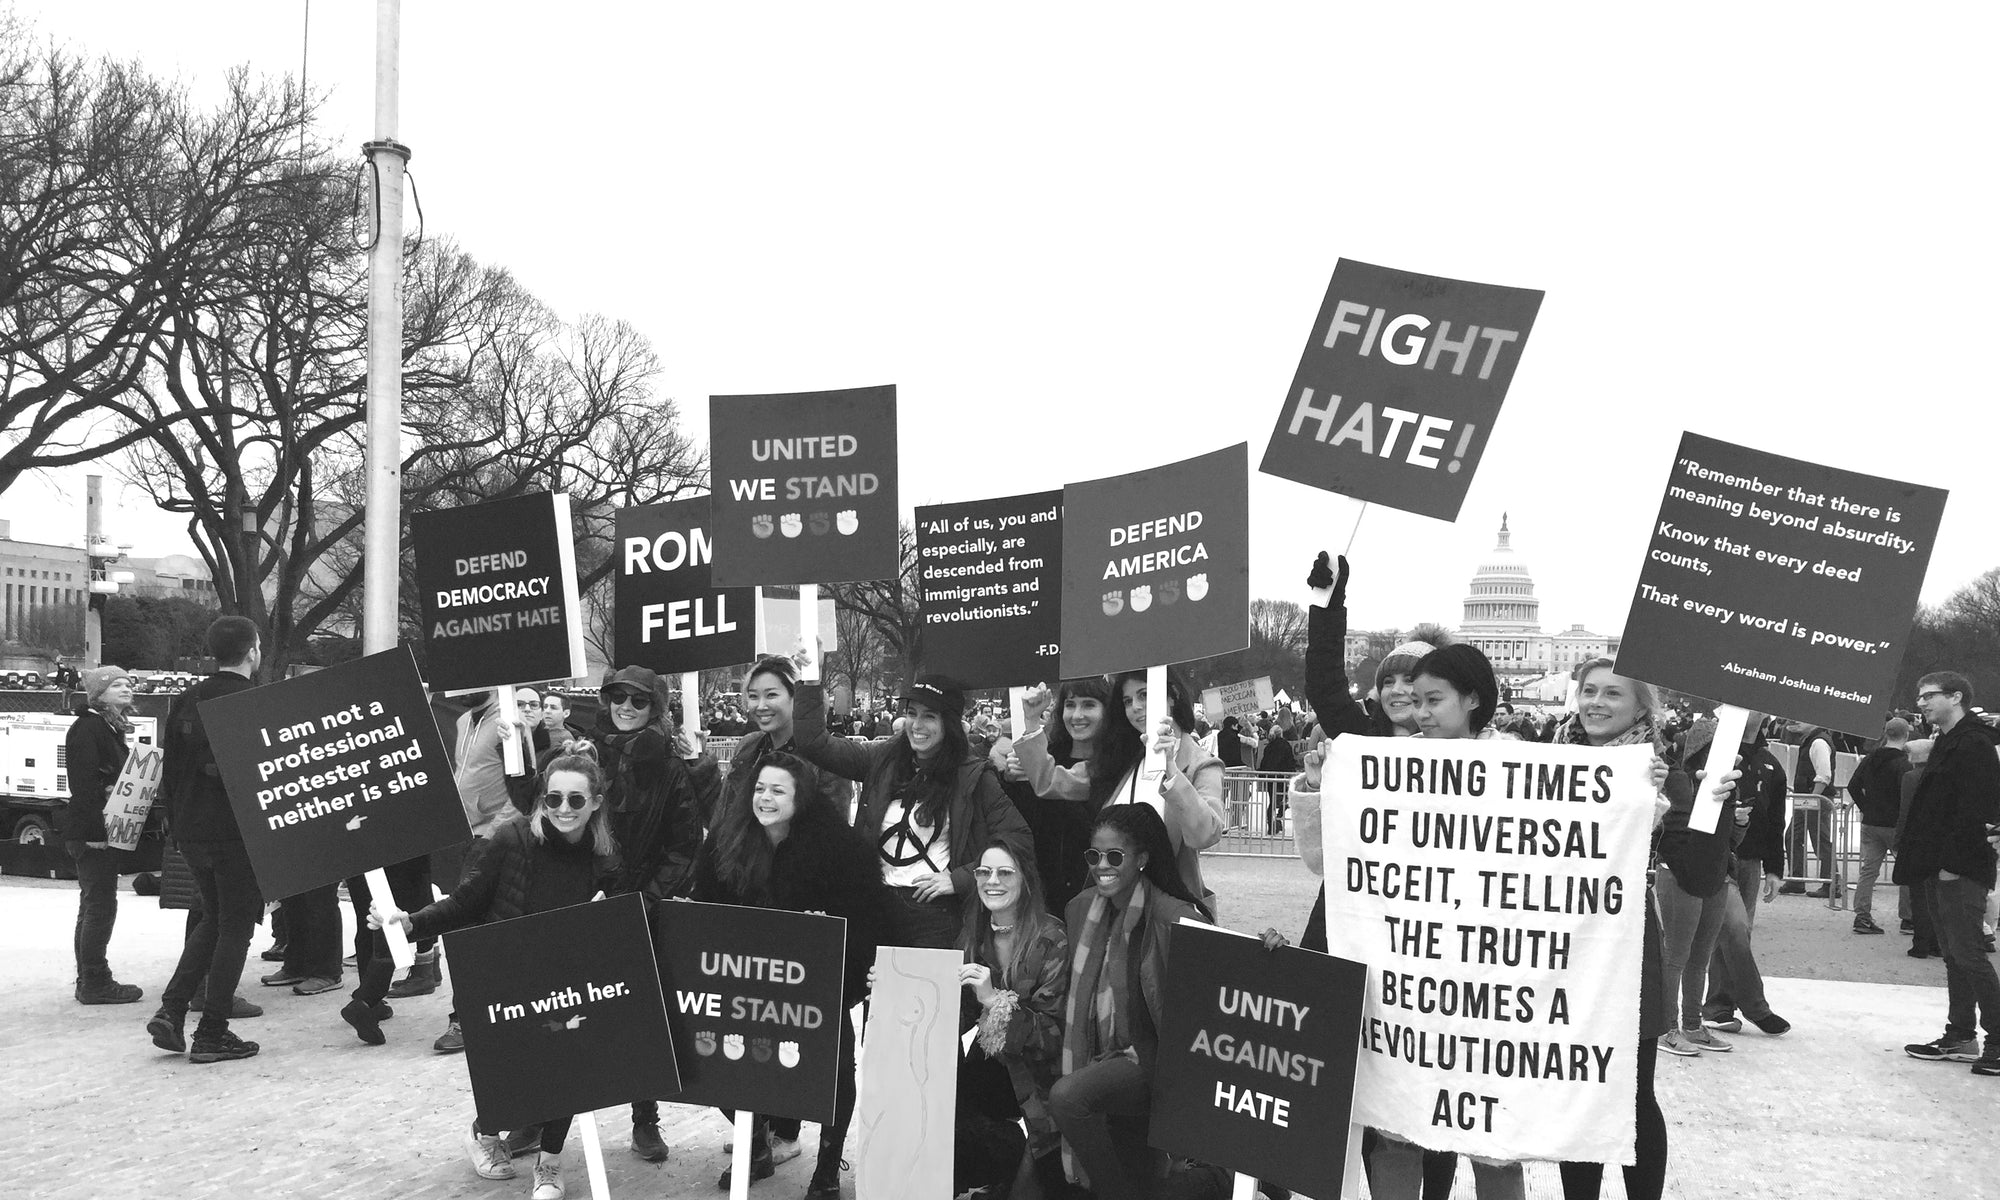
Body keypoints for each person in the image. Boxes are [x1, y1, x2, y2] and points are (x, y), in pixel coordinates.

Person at [372, 752, 619, 1200]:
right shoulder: (512, 838)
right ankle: (485, 1133)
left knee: (569, 1068)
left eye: (576, 799)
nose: (564, 808)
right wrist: (411, 923)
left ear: (596, 802)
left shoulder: (603, 855)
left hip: (568, 977)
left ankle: (550, 1162)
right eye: (553, 797)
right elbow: (465, 901)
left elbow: (623, 909)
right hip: (508, 973)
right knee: (513, 1071)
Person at [693, 752, 891, 1198]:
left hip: (819, 985)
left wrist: (828, 932)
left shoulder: (840, 847)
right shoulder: (726, 840)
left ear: (801, 797)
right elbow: (706, 907)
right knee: (718, 1063)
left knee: (833, 1075)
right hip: (742, 982)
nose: (766, 797)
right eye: (760, 788)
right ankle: (757, 1145)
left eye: (778, 790)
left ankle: (827, 1170)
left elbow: (868, 916)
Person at [584, 665, 721, 1160]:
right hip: (593, 908)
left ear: (657, 708)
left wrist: (646, 900)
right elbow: (550, 812)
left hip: (647, 910)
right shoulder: (589, 753)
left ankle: (650, 1118)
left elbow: (686, 845)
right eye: (616, 696)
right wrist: (516, 759)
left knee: (653, 1016)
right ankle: (540, 1118)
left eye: (637, 700)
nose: (624, 706)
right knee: (568, 1011)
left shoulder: (670, 763)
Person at [791, 674, 1033, 948]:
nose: (917, 725)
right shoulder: (881, 760)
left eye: (929, 716)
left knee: (924, 990)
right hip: (875, 906)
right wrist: (810, 680)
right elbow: (814, 743)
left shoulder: (973, 776)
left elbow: (1017, 839)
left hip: (934, 917)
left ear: (949, 723)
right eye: (911, 713)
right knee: (871, 988)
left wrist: (959, 878)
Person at [1047, 804, 1210, 1200]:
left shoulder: (1176, 918)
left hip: (1153, 1059)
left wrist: (1270, 950)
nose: (1102, 865)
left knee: (1068, 1097)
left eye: (1115, 856)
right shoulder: (1080, 909)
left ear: (1142, 859)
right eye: (1094, 855)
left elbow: (1224, 984)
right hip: (1103, 1057)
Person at [146, 617, 267, 1063]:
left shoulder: (186, 699)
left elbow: (170, 770)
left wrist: (177, 825)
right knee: (235, 926)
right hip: (237, 832)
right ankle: (212, 1031)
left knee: (212, 918)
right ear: (253, 651)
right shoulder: (255, 701)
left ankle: (173, 1009)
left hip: (193, 828)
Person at [1897, 672, 2000, 1075]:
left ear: (1955, 697)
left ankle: (1997, 1039)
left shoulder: (1973, 743)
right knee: (1955, 955)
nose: (1921, 702)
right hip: (1938, 862)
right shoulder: (1949, 740)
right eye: (1919, 696)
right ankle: (1960, 1034)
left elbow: (1975, 810)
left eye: (1929, 696)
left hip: (1958, 865)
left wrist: (1949, 866)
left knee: (1969, 953)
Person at [957, 841, 1069, 1199]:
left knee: (1042, 1184)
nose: (993, 881)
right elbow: (955, 1012)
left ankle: (1012, 1175)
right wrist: (895, 989)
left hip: (1041, 1073)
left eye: (1005, 872)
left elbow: (1053, 1034)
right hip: (993, 1057)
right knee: (949, 1096)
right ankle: (993, 1175)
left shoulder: (1052, 938)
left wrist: (994, 1000)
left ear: (1026, 881)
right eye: (984, 872)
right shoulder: (974, 931)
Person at [1700, 711, 1792, 1035]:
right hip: (1716, 855)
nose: (1756, 709)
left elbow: (1775, 820)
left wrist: (1775, 870)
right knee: (1731, 930)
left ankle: (1720, 1006)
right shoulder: (1713, 751)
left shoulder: (1771, 764)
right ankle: (1745, 1006)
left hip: (1750, 859)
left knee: (1738, 932)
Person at [1002, 677, 1125, 916]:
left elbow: (1050, 785)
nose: (1077, 715)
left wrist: (1031, 728)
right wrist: (1012, 779)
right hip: (1040, 887)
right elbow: (1022, 819)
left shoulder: (1116, 765)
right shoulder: (1044, 753)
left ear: (1109, 711)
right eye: (1070, 705)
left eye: (1089, 705)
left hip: (1093, 890)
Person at [65, 665, 143, 1004]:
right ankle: (95, 981)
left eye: (128, 683)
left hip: (95, 827)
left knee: (93, 903)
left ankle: (89, 978)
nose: (126, 688)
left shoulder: (108, 727)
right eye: (116, 685)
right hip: (92, 830)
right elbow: (82, 784)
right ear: (99, 694)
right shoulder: (90, 727)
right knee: (99, 905)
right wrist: (96, 831)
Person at [1848, 717, 1914, 935]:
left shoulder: (1870, 758)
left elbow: (1853, 785)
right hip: (1895, 823)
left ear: (1886, 733)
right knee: (1906, 870)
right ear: (1906, 736)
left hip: (1871, 821)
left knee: (1869, 870)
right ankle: (1908, 918)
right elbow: (1906, 795)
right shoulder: (1904, 763)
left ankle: (1862, 916)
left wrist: (1866, 806)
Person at [1778, 720, 1837, 897]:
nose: (1793, 721)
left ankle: (1831, 882)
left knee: (1820, 841)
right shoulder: (1814, 740)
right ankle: (1798, 879)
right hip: (1808, 798)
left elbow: (1824, 775)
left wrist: (1813, 798)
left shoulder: (1818, 742)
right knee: (1795, 837)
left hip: (1813, 799)